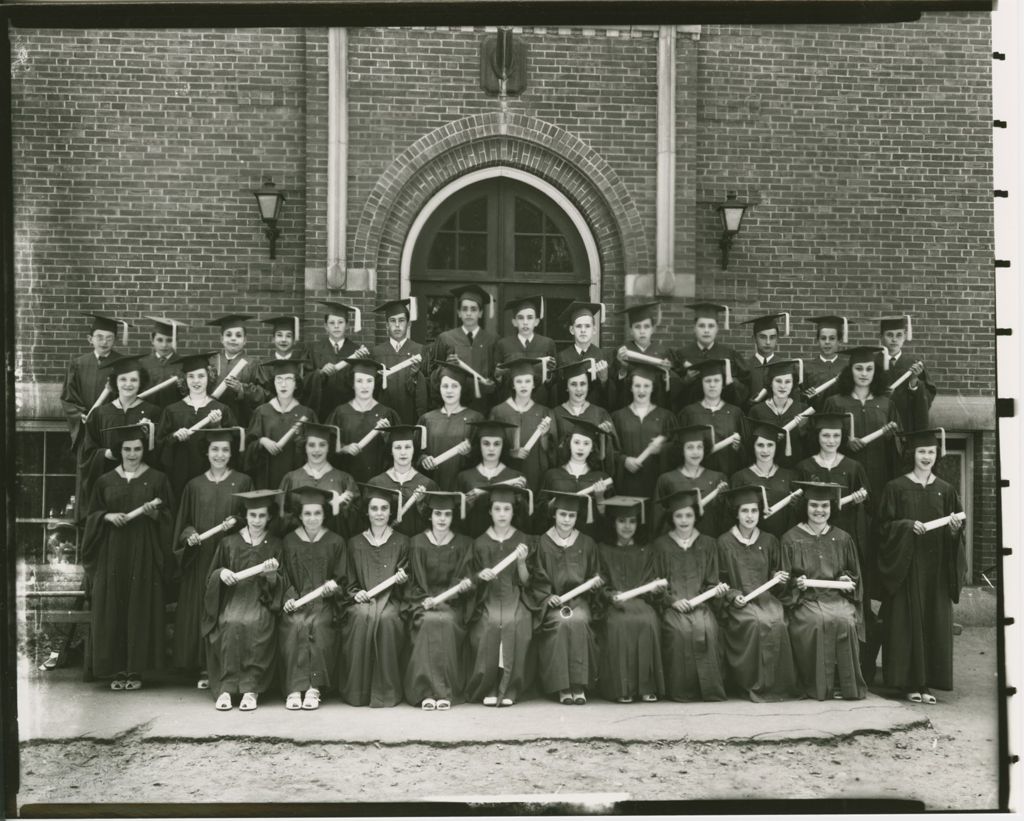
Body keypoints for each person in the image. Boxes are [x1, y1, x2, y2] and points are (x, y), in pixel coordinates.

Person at [81, 423, 175, 691]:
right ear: (119, 450)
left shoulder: (158, 479)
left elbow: (169, 516)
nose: (132, 454)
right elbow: (92, 516)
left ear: (144, 450)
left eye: (137, 448)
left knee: (140, 607)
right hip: (113, 551)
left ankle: (136, 670)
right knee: (114, 606)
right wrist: (107, 516)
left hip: (144, 550)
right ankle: (116, 670)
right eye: (127, 449)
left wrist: (154, 513)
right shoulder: (105, 481)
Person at [877, 429, 967, 704]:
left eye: (931, 452)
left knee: (932, 622)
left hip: (935, 568)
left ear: (936, 455)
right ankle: (906, 684)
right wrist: (905, 526)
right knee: (905, 623)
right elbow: (881, 528)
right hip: (906, 566)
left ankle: (926, 684)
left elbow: (957, 532)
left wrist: (954, 530)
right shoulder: (895, 487)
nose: (926, 456)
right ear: (912, 454)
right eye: (921, 452)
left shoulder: (946, 489)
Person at [171, 427, 252, 688]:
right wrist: (191, 534)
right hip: (202, 557)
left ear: (231, 453)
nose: (220, 454)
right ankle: (202, 666)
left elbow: (252, 518)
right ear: (206, 453)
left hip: (230, 558)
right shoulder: (194, 485)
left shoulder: (242, 482)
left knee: (226, 608)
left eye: (225, 450)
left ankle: (221, 664)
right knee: (200, 608)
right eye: (215, 450)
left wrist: (237, 520)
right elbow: (183, 523)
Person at [779, 481, 867, 701]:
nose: (819, 511)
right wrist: (795, 584)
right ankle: (819, 687)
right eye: (814, 505)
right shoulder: (790, 538)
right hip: (805, 601)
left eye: (825, 506)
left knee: (845, 620)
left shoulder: (843, 538)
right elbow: (784, 580)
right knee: (818, 621)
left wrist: (847, 578)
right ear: (806, 506)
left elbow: (854, 575)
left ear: (832, 507)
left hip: (836, 598)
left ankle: (846, 687)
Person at [203, 489, 285, 712]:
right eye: (252, 515)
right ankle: (227, 688)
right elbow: (212, 574)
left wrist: (271, 575)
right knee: (229, 622)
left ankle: (251, 689)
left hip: (261, 599)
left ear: (269, 517)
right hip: (234, 598)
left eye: (261, 516)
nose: (256, 520)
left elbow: (282, 582)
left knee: (255, 623)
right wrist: (221, 574)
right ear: (246, 516)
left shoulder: (276, 544)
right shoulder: (229, 542)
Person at [716, 485, 798, 702]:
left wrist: (778, 576)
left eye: (753, 511)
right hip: (740, 603)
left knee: (777, 622)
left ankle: (776, 687)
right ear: (736, 513)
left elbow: (775, 574)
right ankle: (752, 684)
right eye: (744, 511)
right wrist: (733, 596)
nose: (750, 516)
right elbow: (719, 579)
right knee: (756, 623)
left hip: (766, 599)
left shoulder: (769, 540)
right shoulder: (724, 542)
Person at [651, 488, 728, 702]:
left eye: (688, 515)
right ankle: (682, 691)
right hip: (672, 605)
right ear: (671, 518)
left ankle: (708, 690)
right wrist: (671, 601)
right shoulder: (660, 546)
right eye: (678, 515)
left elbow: (711, 582)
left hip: (700, 604)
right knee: (679, 631)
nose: (684, 520)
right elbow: (656, 585)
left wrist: (713, 592)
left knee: (707, 628)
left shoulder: (708, 544)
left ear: (696, 516)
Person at [402, 491, 475, 710]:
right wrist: (424, 600)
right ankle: (425, 692)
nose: (442, 519)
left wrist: (464, 586)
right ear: (429, 516)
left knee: (445, 622)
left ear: (453, 517)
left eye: (447, 514)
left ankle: (444, 692)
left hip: (452, 605)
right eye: (437, 514)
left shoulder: (463, 543)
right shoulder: (416, 543)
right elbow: (412, 582)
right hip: (422, 603)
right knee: (428, 622)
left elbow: (468, 578)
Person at [463, 485, 534, 706]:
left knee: (513, 623)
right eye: (497, 509)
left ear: (513, 512)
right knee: (491, 624)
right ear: (490, 512)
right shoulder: (480, 542)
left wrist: (522, 562)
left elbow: (527, 582)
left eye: (507, 509)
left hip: (515, 596)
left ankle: (509, 686)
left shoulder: (523, 539)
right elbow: (470, 578)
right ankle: (489, 684)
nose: (502, 514)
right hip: (488, 597)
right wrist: (479, 576)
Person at [339, 484, 409, 707]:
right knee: (360, 617)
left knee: (387, 619)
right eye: (375, 508)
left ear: (391, 512)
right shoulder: (354, 543)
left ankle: (386, 692)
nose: (379, 513)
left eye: (384, 508)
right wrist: (355, 593)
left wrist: (402, 581)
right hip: (362, 600)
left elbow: (406, 582)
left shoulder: (402, 541)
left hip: (391, 600)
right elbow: (348, 581)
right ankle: (358, 692)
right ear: (367, 512)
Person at [528, 491, 601, 705]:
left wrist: (595, 582)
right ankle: (562, 686)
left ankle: (578, 685)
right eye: (563, 514)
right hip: (553, 603)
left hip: (579, 602)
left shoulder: (587, 543)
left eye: (571, 515)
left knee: (577, 621)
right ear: (554, 515)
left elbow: (595, 574)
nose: (567, 520)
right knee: (561, 624)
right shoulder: (542, 542)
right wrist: (547, 596)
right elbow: (537, 578)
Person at [279, 486, 348, 711]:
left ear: (324, 515)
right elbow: (283, 576)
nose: (312, 518)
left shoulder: (336, 541)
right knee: (296, 625)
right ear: (299, 516)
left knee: (318, 626)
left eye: (317, 513)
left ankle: (313, 687)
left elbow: (342, 579)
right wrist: (288, 598)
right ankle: (293, 688)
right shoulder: (289, 541)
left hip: (323, 604)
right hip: (297, 603)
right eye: (307, 514)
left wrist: (333, 588)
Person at [823, 345, 902, 525]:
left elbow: (900, 446)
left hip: (878, 477)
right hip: (845, 477)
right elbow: (819, 438)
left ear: (876, 371)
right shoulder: (835, 403)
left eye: (869, 369)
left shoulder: (886, 405)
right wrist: (844, 443)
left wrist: (891, 437)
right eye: (859, 368)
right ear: (850, 371)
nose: (864, 374)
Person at [596, 496, 664, 703]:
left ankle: (646, 687)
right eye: (622, 521)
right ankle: (621, 688)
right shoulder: (603, 550)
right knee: (619, 623)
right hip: (614, 604)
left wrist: (654, 588)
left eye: (632, 521)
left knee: (648, 620)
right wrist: (609, 596)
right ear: (613, 523)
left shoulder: (646, 551)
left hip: (641, 602)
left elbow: (651, 582)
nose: (627, 526)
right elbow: (600, 582)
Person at [61, 313, 127, 520]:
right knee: (87, 479)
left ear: (115, 340)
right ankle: (88, 522)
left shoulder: (122, 364)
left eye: (109, 338)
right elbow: (67, 398)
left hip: (112, 430)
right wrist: (80, 415)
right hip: (87, 431)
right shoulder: (78, 363)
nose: (104, 342)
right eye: (99, 337)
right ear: (90, 339)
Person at [80, 354, 163, 518]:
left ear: (141, 383)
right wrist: (105, 454)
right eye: (123, 379)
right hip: (109, 484)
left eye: (133, 380)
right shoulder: (100, 414)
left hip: (141, 484)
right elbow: (88, 450)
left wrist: (150, 435)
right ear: (115, 382)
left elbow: (160, 453)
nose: (128, 384)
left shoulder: (153, 412)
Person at [157, 350, 235, 500]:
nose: (196, 381)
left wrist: (217, 427)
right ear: (184, 379)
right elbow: (160, 446)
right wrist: (174, 437)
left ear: (209, 376)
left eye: (201, 376)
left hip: (211, 475)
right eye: (191, 376)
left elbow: (233, 446)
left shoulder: (221, 409)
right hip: (179, 475)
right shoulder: (171, 410)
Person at [794, 412, 870, 556]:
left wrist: (859, 500)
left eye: (836, 436)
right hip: (812, 532)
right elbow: (798, 506)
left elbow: (868, 504)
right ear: (817, 436)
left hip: (845, 529)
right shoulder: (804, 467)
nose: (831, 441)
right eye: (826, 435)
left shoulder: (853, 467)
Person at [244, 359, 318, 491]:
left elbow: (316, 450)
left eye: (289, 379)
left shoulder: (306, 414)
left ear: (296, 384)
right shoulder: (262, 412)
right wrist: (262, 441)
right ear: (274, 383)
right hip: (266, 477)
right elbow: (248, 450)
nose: (283, 384)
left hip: (296, 479)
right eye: (279, 379)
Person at [278, 421, 359, 539]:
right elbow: (281, 518)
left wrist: (341, 507)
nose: (317, 450)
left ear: (329, 447)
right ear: (304, 447)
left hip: (333, 546)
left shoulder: (344, 479)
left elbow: (355, 523)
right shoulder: (290, 478)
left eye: (322, 445)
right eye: (311, 445)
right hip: (299, 545)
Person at [324, 358, 400, 484]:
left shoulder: (386, 414)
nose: (364, 386)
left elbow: (400, 453)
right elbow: (326, 445)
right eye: (359, 381)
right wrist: (343, 448)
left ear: (375, 383)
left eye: (369, 381)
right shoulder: (340, 413)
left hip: (378, 484)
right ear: (352, 384)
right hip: (346, 481)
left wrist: (387, 436)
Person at [488, 356, 556, 493]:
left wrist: (544, 437)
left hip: (535, 473)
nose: (523, 385)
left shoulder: (544, 412)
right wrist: (511, 453)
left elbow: (552, 453)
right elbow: (488, 447)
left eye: (527, 381)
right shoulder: (498, 412)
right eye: (519, 381)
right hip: (505, 473)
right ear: (513, 385)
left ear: (534, 384)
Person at [539, 416, 613, 539]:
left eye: (586, 443)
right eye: (576, 442)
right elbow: (539, 514)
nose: (580, 447)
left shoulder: (602, 478)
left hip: (588, 540)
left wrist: (600, 499)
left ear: (592, 448)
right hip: (557, 540)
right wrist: (552, 505)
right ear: (569, 444)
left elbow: (611, 519)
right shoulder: (552, 475)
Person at [611, 364, 675, 501]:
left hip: (655, 483)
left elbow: (678, 448)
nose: (642, 390)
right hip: (626, 484)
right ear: (631, 388)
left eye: (646, 386)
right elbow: (610, 449)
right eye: (637, 386)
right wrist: (624, 460)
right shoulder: (618, 417)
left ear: (653, 388)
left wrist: (662, 449)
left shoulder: (666, 417)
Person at [417, 362, 484, 493]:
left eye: (454, 386)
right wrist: (423, 460)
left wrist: (470, 453)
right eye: (445, 386)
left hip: (463, 488)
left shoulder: (475, 419)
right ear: (439, 388)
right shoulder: (427, 419)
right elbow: (416, 454)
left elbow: (483, 456)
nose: (449, 391)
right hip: (432, 487)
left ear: (462, 389)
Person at [652, 424, 729, 538]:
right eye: (690, 447)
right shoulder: (667, 480)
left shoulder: (717, 478)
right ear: (681, 450)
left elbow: (724, 519)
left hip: (709, 545)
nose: (695, 452)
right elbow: (658, 520)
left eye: (699, 447)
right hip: (677, 547)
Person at [455, 419, 529, 538]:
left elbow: (526, 521)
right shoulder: (464, 477)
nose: (491, 448)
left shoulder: (515, 477)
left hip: (506, 544)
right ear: (479, 445)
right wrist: (466, 505)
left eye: (496, 444)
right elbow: (455, 518)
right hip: (473, 541)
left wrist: (520, 499)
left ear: (503, 446)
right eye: (486, 443)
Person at [434, 284, 499, 414]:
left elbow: (496, 377)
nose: (469, 313)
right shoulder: (446, 339)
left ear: (480, 313)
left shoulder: (492, 340)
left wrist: (493, 383)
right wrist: (446, 367)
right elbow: (434, 375)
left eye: (473, 309)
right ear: (459, 313)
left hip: (483, 406)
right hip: (454, 406)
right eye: (464, 309)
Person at [676, 358, 746, 478]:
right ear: (701, 383)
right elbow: (678, 449)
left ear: (722, 384)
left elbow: (747, 450)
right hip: (697, 479)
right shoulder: (688, 413)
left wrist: (739, 447)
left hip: (728, 477)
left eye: (716, 380)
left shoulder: (736, 413)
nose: (712, 385)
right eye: (708, 381)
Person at [730, 419, 798, 540]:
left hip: (784, 541)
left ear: (776, 446)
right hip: (752, 544)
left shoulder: (790, 477)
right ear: (753, 446)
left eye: (770, 445)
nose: (765, 450)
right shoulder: (740, 478)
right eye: (760, 445)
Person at [551, 359, 620, 477]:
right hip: (564, 477)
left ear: (588, 386)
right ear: (566, 387)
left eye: (583, 384)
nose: (579, 389)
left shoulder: (600, 413)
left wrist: (604, 436)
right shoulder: (556, 413)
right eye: (573, 384)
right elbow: (551, 451)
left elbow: (612, 453)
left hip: (592, 478)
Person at [368, 425, 439, 538]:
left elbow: (435, 523)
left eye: (407, 447)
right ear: (391, 451)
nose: (403, 452)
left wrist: (421, 504)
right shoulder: (376, 483)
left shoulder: (427, 484)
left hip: (416, 547)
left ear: (414, 449)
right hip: (387, 548)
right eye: (397, 447)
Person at [675, 301, 747, 408]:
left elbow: (744, 388)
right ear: (694, 328)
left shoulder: (729, 355)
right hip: (692, 415)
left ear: (717, 328)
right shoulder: (681, 354)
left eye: (711, 326)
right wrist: (686, 380)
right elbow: (672, 393)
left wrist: (730, 382)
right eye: (702, 326)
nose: (706, 330)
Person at [306, 301, 368, 420]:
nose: (336, 326)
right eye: (332, 323)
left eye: (340, 322)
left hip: (349, 412)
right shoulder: (314, 349)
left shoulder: (356, 351)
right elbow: (305, 379)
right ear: (326, 327)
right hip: (321, 410)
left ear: (347, 325)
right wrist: (319, 373)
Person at [371, 298, 429, 426]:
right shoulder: (376, 353)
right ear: (386, 325)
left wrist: (415, 377)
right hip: (383, 417)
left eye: (401, 320)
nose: (397, 325)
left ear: (408, 324)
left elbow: (425, 391)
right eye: (392, 321)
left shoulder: (420, 350)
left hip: (410, 416)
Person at [748, 358, 814, 468]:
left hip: (795, 470)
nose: (783, 386)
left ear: (793, 384)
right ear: (770, 383)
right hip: (765, 471)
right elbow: (750, 446)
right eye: (778, 381)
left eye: (788, 381)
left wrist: (803, 431)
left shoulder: (803, 410)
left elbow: (811, 448)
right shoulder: (757, 411)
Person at [494, 295, 558, 407]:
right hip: (511, 405)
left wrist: (549, 375)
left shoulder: (547, 344)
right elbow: (497, 380)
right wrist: (498, 375)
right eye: (520, 318)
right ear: (514, 322)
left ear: (537, 321)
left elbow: (553, 382)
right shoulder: (503, 344)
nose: (525, 322)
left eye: (529, 317)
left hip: (540, 404)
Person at [206, 314, 267, 429]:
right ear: (221, 339)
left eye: (238, 335)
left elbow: (265, 395)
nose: (233, 338)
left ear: (245, 340)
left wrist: (242, 389)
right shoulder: (211, 362)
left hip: (241, 420)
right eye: (228, 335)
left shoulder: (253, 364)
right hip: (212, 420)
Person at [612, 302, 678, 409]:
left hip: (657, 408)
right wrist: (622, 368)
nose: (642, 331)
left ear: (653, 329)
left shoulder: (664, 352)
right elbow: (612, 388)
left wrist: (668, 374)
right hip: (628, 409)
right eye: (637, 327)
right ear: (631, 331)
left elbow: (674, 388)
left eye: (646, 327)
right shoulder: (621, 352)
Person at [553, 301, 615, 410]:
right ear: (572, 330)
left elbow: (612, 400)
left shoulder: (603, 357)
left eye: (587, 326)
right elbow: (557, 395)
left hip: (595, 415)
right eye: (578, 326)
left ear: (594, 330)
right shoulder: (561, 357)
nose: (583, 330)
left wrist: (604, 381)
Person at [879, 314, 935, 432]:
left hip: (906, 423)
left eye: (899, 335)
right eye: (889, 335)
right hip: (879, 421)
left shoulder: (914, 364)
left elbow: (927, 396)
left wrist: (914, 383)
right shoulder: (872, 363)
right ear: (881, 337)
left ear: (905, 336)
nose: (894, 339)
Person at [736, 312, 788, 410]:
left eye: (772, 337)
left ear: (777, 339)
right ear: (754, 338)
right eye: (763, 337)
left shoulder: (784, 366)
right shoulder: (744, 366)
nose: (768, 342)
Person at [802, 315, 849, 411]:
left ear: (839, 341)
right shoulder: (807, 368)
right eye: (823, 338)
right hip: (815, 420)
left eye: (832, 338)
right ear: (817, 341)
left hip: (841, 419)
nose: (827, 342)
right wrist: (807, 395)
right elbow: (802, 400)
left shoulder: (847, 367)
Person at [138, 316, 185, 409]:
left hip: (174, 415)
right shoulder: (142, 364)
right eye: (160, 340)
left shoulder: (183, 364)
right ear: (152, 340)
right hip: (147, 415)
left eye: (169, 340)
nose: (164, 345)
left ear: (176, 341)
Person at [255, 316, 309, 394]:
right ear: (273, 339)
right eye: (279, 335)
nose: (283, 340)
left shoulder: (301, 365)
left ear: (294, 340)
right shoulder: (263, 366)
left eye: (288, 336)